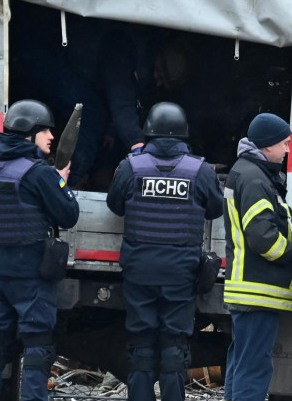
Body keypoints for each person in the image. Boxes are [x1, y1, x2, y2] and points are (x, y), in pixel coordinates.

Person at [105, 102, 224, 401]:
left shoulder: (130, 166)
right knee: (175, 344)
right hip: (180, 272)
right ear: (184, 133)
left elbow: (114, 204)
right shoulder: (199, 169)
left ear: (149, 132)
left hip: (139, 269)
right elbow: (215, 209)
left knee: (141, 342)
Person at [0, 99, 80, 401]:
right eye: (45, 131)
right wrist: (60, 182)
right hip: (31, 276)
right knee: (38, 347)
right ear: (28, 135)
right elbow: (69, 214)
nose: (51, 137)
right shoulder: (39, 173)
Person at [223, 113, 292, 401]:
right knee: (255, 367)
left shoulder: (248, 172)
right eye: (285, 143)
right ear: (268, 145)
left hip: (249, 291)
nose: (287, 150)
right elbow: (262, 236)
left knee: (243, 362)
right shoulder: (255, 179)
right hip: (256, 291)